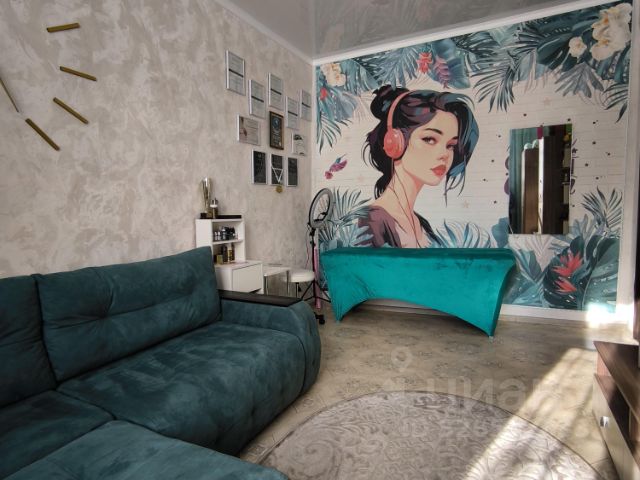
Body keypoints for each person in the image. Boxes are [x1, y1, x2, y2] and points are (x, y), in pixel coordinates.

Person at [358, 85, 479, 247]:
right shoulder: (372, 222)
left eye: (450, 145)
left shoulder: (422, 225)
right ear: (395, 141)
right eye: (430, 139)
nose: (444, 154)